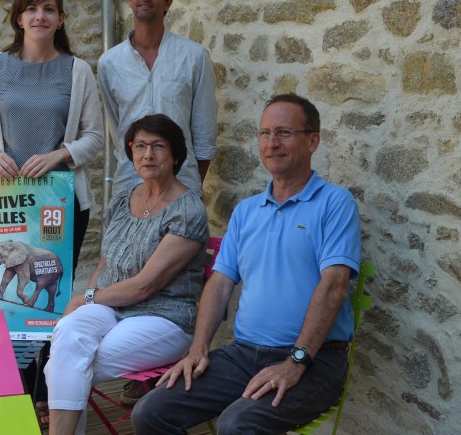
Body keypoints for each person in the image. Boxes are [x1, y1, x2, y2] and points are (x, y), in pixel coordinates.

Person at [132, 94, 362, 435]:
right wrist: (198, 349)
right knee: (150, 412)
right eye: (265, 133)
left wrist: (296, 361)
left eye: (284, 132)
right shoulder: (247, 211)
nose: (272, 143)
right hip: (243, 356)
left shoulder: (335, 202)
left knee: (237, 424)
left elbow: (334, 286)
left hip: (315, 361)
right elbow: (221, 283)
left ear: (313, 140)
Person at [0, 0, 104, 429]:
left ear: (61, 19)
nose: (40, 17)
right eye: (31, 10)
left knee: (50, 299)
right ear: (18, 18)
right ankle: (18, 394)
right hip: (9, 201)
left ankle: (47, 397)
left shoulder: (78, 71)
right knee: (13, 306)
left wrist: (59, 155)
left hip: (61, 204)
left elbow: (94, 139)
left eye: (49, 10)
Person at [44, 114, 210, 435]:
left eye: (158, 146)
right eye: (140, 146)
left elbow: (145, 286)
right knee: (68, 335)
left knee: (69, 364)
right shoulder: (123, 199)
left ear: (176, 155)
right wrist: (88, 305)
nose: (148, 155)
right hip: (112, 308)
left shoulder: (187, 211)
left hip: (163, 317)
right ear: (131, 153)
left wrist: (86, 297)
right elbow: (106, 262)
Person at [99, 0, 217, 198]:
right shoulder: (109, 63)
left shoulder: (194, 57)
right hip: (129, 185)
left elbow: (204, 136)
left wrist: (189, 186)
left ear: (168, 2)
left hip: (181, 183)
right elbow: (118, 130)